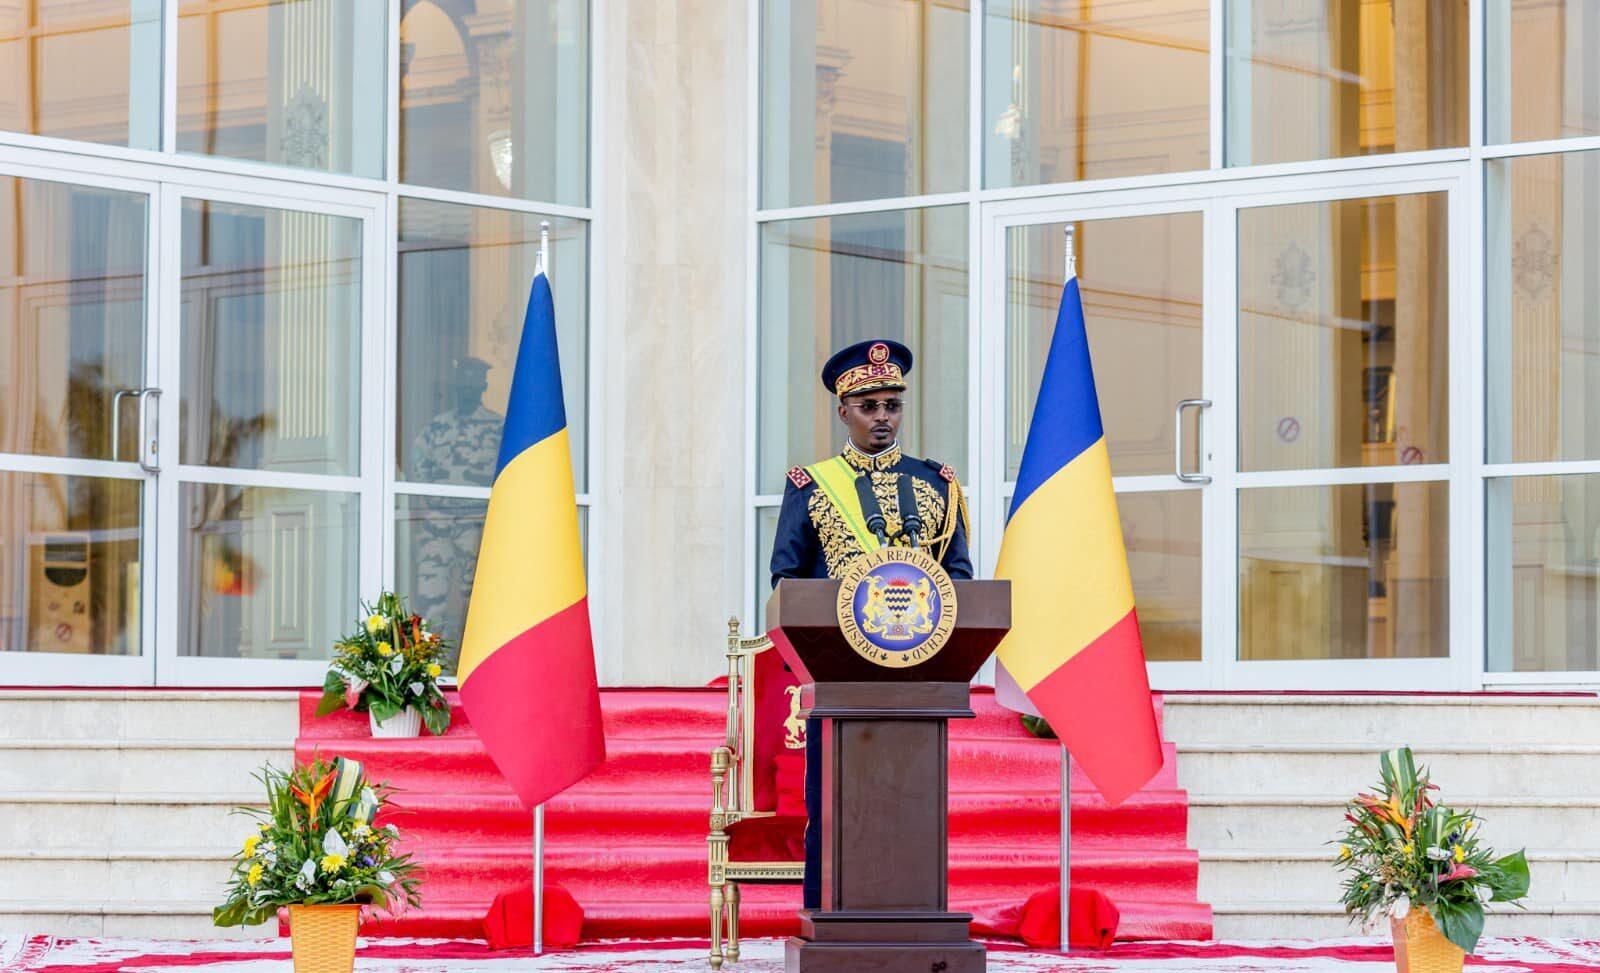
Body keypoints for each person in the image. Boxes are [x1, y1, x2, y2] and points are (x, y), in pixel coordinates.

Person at [769, 337, 972, 911]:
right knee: (835, 808)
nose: (882, 417)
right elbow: (785, 580)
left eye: (892, 405)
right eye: (868, 406)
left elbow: (958, 578)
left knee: (911, 802)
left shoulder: (937, 484)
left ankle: (913, 913)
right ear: (843, 411)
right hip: (838, 680)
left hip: (917, 679)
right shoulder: (811, 487)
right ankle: (828, 915)